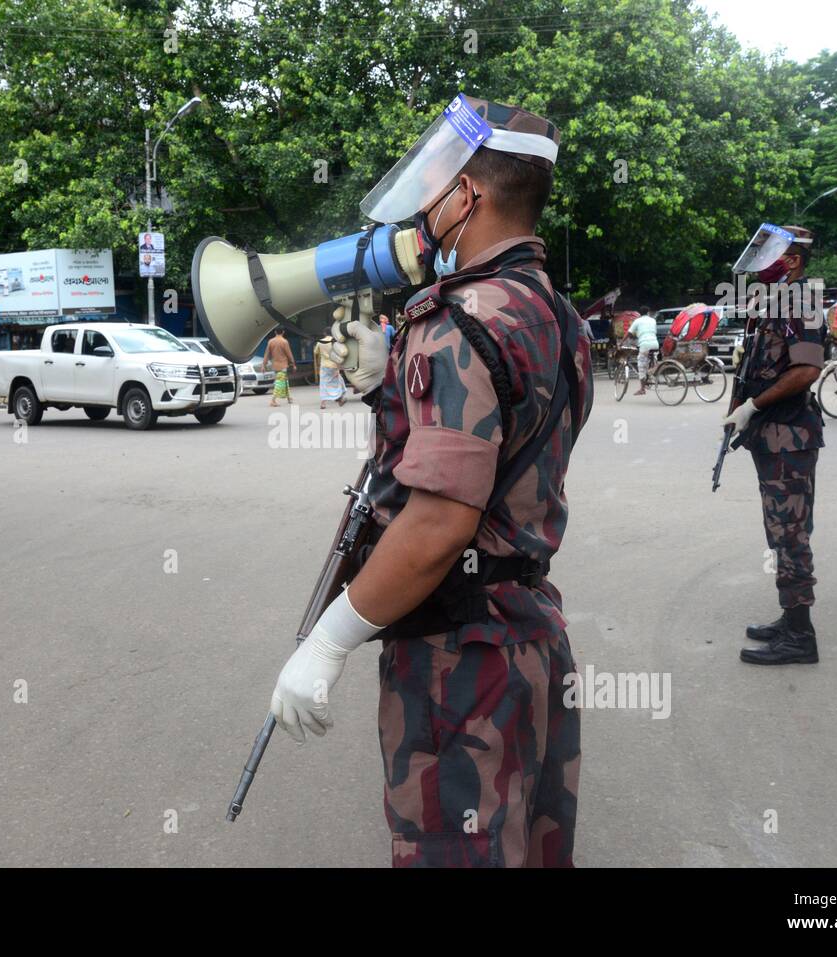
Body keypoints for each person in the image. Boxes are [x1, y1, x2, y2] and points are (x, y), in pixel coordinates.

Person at [268, 95, 590, 867]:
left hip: (460, 660)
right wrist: (396, 381)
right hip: (531, 635)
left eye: (436, 186)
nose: (423, 209)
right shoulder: (558, 314)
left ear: (467, 197)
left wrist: (330, 639)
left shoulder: (453, 322)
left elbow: (440, 521)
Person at [723, 225, 825, 665]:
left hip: (789, 436)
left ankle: (801, 637)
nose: (762, 260)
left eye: (772, 252)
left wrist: (753, 405)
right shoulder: (777, 301)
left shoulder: (803, 299)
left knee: (790, 534)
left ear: (794, 260)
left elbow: (805, 371)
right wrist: (737, 411)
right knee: (781, 531)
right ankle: (791, 618)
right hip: (772, 437)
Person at [627, 310, 659, 395]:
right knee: (652, 360)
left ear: (639, 314)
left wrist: (622, 342)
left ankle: (642, 389)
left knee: (641, 366)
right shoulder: (653, 320)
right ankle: (650, 375)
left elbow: (629, 333)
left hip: (645, 345)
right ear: (648, 312)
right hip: (655, 344)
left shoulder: (637, 321)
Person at [264, 327, 295, 407]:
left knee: (285, 381)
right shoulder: (284, 341)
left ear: (275, 332)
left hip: (275, 365)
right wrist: (293, 363)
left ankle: (289, 397)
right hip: (283, 365)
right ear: (283, 332)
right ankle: (273, 400)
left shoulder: (271, 341)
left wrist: (264, 365)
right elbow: (289, 354)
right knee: (280, 383)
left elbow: (267, 354)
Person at [313, 336, 346, 409]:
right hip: (334, 365)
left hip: (324, 366)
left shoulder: (320, 341)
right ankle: (340, 398)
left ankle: (323, 403)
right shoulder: (335, 341)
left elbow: (315, 352)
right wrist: (339, 368)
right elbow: (339, 354)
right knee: (338, 381)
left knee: (323, 384)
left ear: (324, 334)